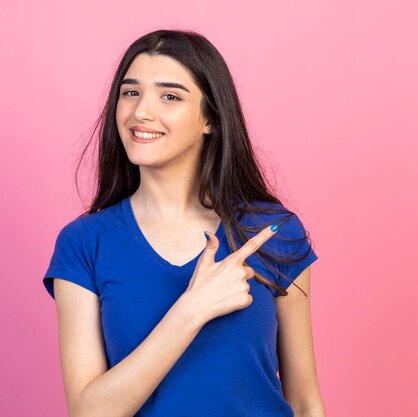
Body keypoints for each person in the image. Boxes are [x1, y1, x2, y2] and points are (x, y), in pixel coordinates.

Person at [42, 29, 325, 417]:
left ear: (210, 119)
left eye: (170, 96)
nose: (141, 111)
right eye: (130, 92)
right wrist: (192, 310)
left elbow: (306, 401)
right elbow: (89, 412)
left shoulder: (270, 233)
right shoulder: (85, 243)